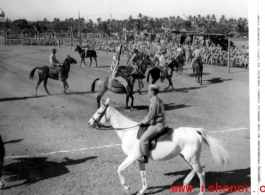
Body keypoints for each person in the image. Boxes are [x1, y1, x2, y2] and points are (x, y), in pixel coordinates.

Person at [138, 84, 165, 163]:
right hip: (160, 122)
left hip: (157, 126)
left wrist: (143, 121)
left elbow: (150, 116)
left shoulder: (154, 102)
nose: (147, 92)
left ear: (152, 92)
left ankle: (145, 157)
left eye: (149, 91)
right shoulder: (159, 100)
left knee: (143, 139)